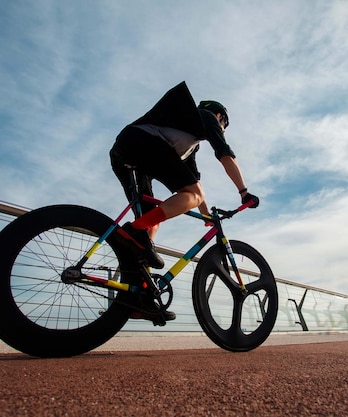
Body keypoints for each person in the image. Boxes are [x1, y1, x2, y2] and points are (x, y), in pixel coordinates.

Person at [109, 81, 259, 324]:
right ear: (220, 116)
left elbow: (195, 185)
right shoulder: (207, 117)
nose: (221, 128)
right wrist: (244, 192)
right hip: (142, 142)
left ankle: (137, 297)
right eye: (224, 124)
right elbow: (224, 154)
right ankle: (135, 232)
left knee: (151, 223)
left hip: (126, 150)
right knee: (145, 227)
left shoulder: (187, 141)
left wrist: (206, 214)